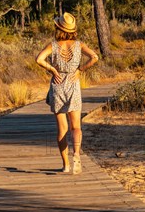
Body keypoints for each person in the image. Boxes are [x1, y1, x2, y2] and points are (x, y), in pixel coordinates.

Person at [36, 12, 99, 174]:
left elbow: (39, 59)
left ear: (58, 28)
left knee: (62, 129)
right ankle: (76, 154)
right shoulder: (79, 45)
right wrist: (80, 70)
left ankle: (65, 165)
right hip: (73, 83)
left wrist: (52, 70)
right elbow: (94, 57)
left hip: (57, 85)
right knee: (76, 127)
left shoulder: (53, 45)